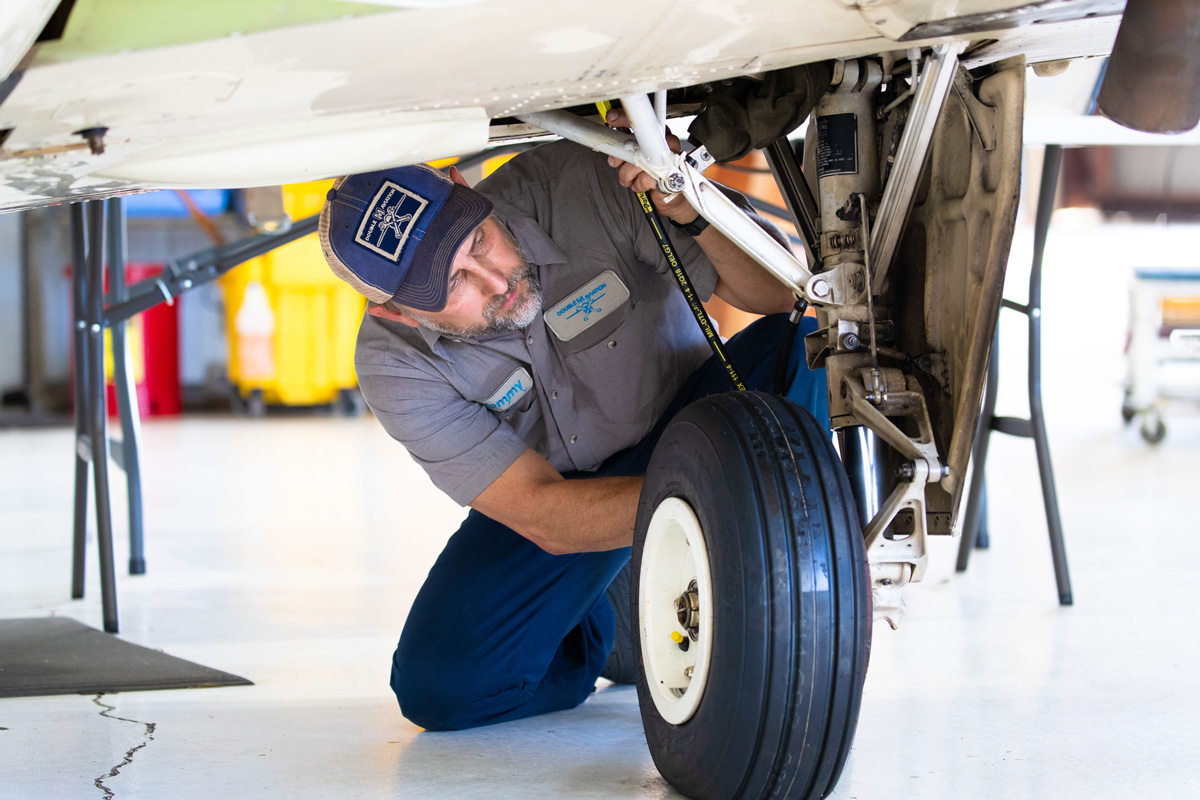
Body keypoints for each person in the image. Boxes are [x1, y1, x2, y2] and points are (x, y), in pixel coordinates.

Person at [318, 114, 826, 731]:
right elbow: (543, 512)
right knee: (442, 686)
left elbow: (782, 296)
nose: (496, 280)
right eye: (455, 285)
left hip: (699, 425)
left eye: (478, 242)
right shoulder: (395, 364)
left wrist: (687, 203)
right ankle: (602, 629)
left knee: (808, 345)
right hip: (575, 501)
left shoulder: (586, 182)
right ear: (397, 314)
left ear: (463, 186)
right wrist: (729, 500)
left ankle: (771, 552)